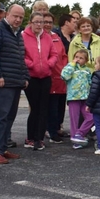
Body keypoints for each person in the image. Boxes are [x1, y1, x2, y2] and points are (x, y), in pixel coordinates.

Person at [0, 5, 27, 164]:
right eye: (15, 16)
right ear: (7, 14)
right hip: (1, 83)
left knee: (9, 117)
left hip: (14, 82)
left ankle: (2, 148)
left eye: (21, 17)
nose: (18, 20)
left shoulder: (17, 34)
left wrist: (24, 77)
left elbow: (21, 57)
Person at [22, 12, 58, 150]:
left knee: (44, 108)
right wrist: (31, 64)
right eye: (36, 22)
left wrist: (49, 63)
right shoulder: (23, 37)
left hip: (46, 77)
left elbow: (54, 54)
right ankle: (30, 137)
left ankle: (39, 139)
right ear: (31, 22)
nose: (39, 25)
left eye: (41, 22)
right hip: (31, 77)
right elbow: (21, 55)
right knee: (35, 108)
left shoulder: (47, 37)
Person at [61, 49, 94, 149]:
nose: (78, 59)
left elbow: (90, 83)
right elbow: (64, 76)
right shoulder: (70, 67)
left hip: (85, 98)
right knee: (74, 119)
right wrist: (72, 64)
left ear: (86, 60)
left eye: (81, 58)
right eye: (76, 57)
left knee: (91, 117)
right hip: (74, 98)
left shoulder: (87, 70)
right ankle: (75, 140)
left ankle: (79, 134)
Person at [44, 13, 68, 143]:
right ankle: (52, 132)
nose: (47, 24)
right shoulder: (39, 37)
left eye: (50, 22)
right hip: (48, 76)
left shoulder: (56, 37)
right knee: (51, 106)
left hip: (60, 76)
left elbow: (63, 55)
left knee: (60, 105)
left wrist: (64, 69)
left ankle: (58, 128)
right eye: (45, 22)